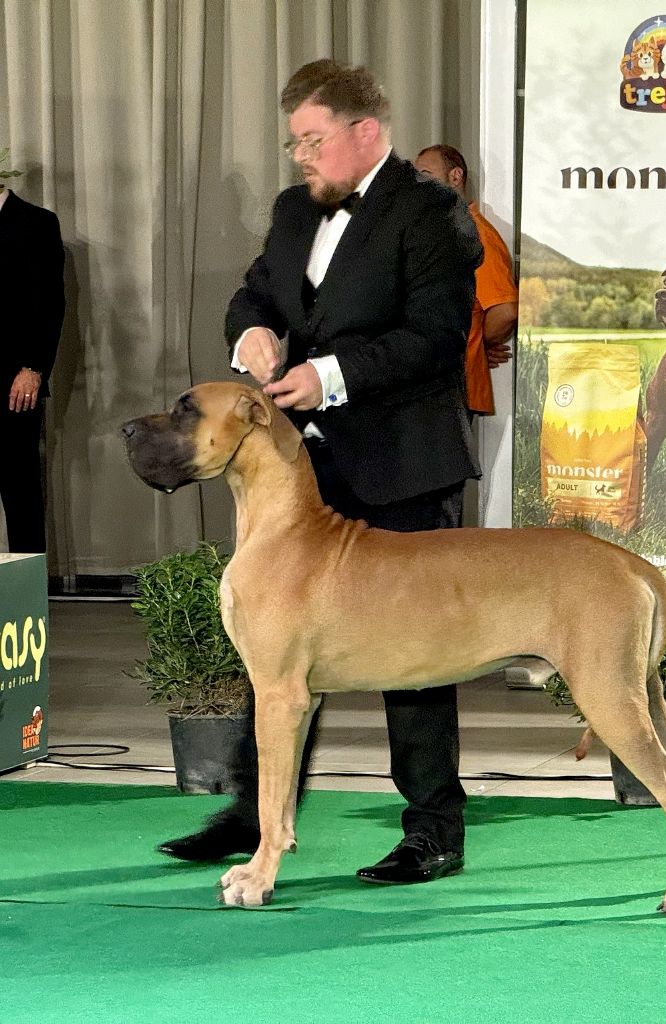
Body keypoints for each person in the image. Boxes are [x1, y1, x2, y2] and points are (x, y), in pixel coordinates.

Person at [158, 59, 483, 886]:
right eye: (294, 141)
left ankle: (431, 831)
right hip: (300, 470)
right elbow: (253, 294)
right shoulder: (293, 209)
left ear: (363, 132)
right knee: (273, 652)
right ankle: (253, 818)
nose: (299, 155)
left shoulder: (432, 212)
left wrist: (330, 375)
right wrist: (253, 338)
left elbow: (436, 338)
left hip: (400, 464)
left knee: (415, 661)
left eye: (312, 139)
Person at [414, 145, 518, 417]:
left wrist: (475, 346)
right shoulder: (441, 234)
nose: (417, 184)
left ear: (455, 176)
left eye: (425, 174)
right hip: (430, 387)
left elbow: (505, 310)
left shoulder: (474, 235)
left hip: (450, 390)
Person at [0, 179, 65, 553]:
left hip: (14, 382)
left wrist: (34, 368)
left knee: (20, 489)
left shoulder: (37, 222)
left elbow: (50, 303)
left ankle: (26, 600)